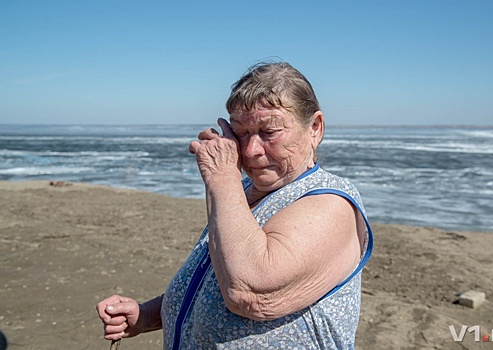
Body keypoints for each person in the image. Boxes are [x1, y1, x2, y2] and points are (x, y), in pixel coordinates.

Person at [96, 62, 373, 349]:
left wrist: (221, 176)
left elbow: (249, 291)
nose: (251, 150)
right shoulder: (242, 192)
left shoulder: (331, 202)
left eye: (269, 132)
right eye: (240, 132)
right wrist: (147, 316)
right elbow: (214, 280)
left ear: (314, 128)